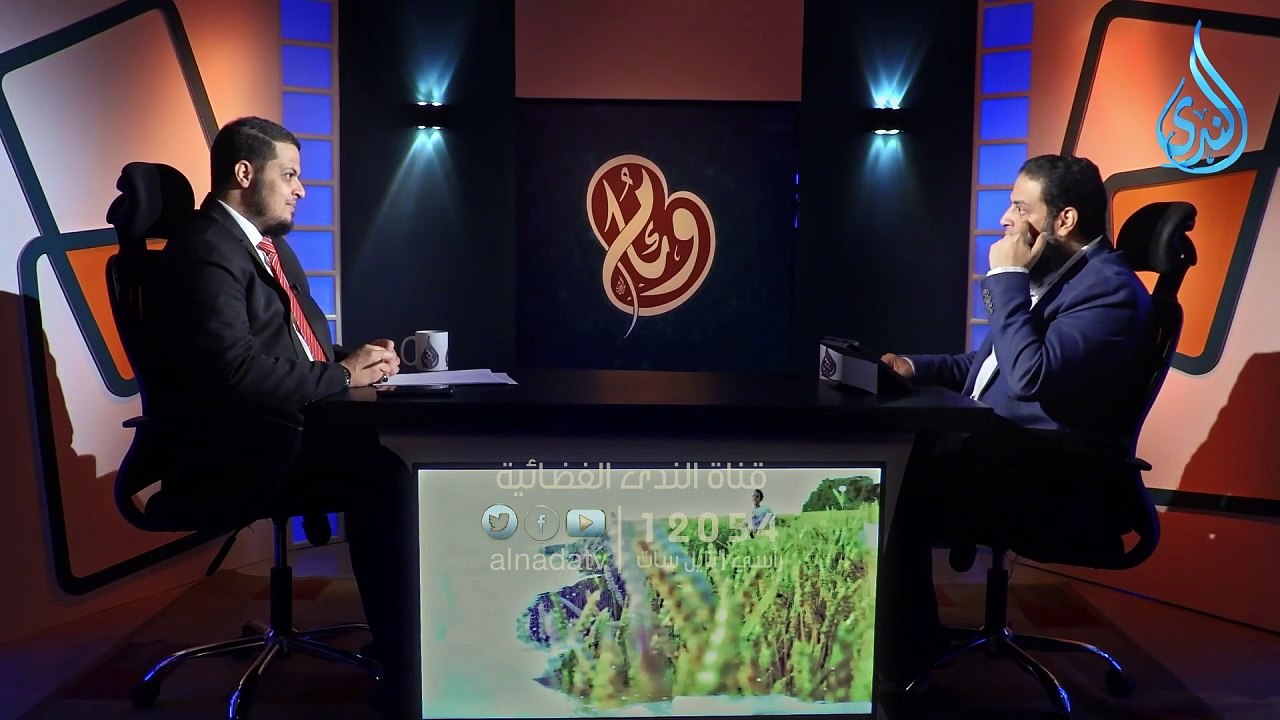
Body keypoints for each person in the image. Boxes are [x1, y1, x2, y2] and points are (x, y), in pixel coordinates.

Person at [149, 116, 413, 714]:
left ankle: (403, 643)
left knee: (386, 456)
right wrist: (341, 377)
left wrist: (353, 359)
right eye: (289, 174)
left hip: (284, 427)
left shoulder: (267, 247)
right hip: (237, 447)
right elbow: (234, 373)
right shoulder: (206, 249)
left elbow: (294, 349)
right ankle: (403, 666)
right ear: (245, 173)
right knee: (385, 476)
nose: (301, 189)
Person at [876, 154, 1153, 686]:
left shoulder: (1108, 291)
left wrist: (1006, 277)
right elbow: (989, 366)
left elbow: (1029, 376)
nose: (1006, 219)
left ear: (1064, 220)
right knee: (900, 466)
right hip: (1008, 455)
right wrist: (913, 366)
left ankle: (903, 656)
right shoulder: (1062, 278)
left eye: (1021, 208)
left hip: (1053, 477)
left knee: (895, 486)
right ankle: (910, 640)